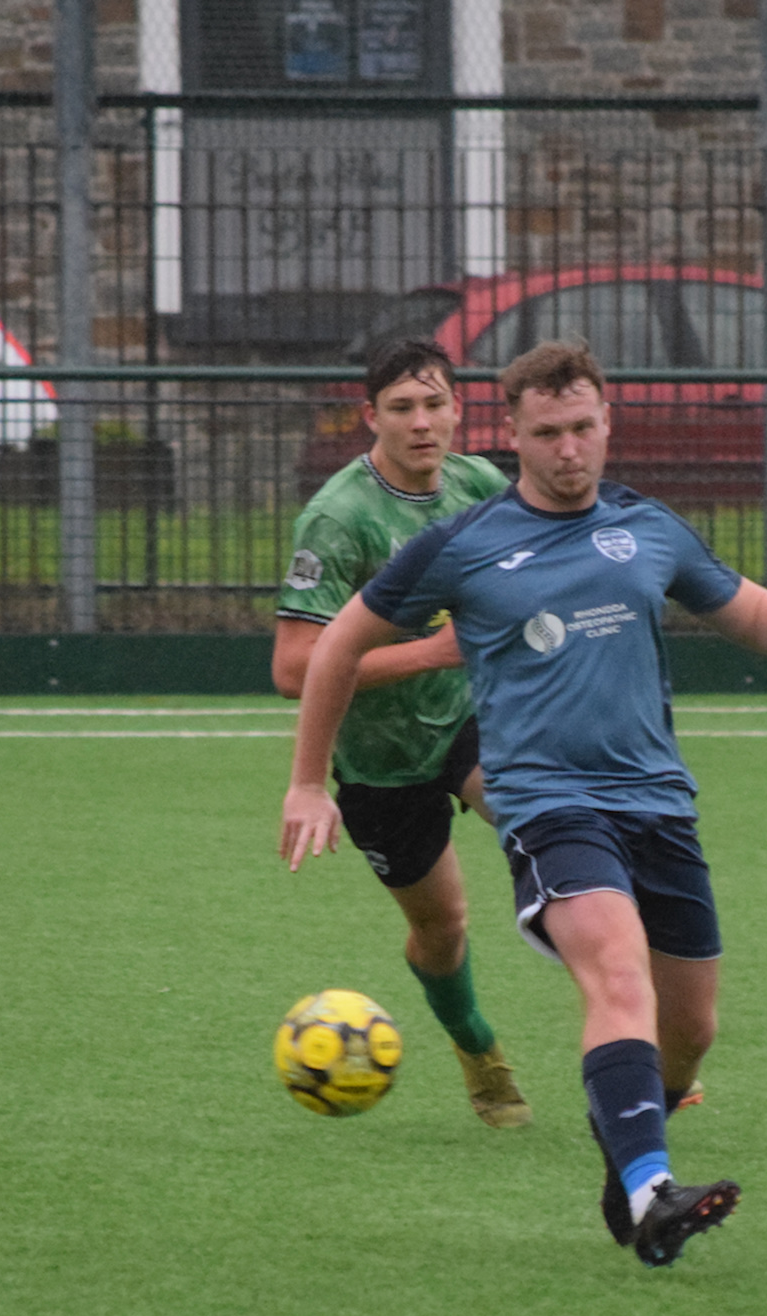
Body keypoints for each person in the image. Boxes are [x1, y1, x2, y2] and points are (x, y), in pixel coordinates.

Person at [282, 341, 767, 1268]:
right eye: (547, 432)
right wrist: (310, 781)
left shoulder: (649, 528)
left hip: (659, 802)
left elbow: (750, 615)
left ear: (608, 424)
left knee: (692, 1030)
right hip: (548, 803)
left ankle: (627, 1156)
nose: (568, 449)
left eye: (583, 427)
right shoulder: (462, 544)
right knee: (615, 970)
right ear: (512, 435)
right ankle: (649, 1189)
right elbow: (333, 647)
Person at [273, 337, 530, 1130]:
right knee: (441, 929)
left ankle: (628, 1015)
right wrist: (431, 650)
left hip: (472, 717)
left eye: (434, 404)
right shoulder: (339, 516)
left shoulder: (481, 483)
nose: (422, 422)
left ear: (459, 408)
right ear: (369, 419)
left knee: (538, 817)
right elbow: (295, 666)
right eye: (401, 408)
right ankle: (477, 1045)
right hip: (381, 759)